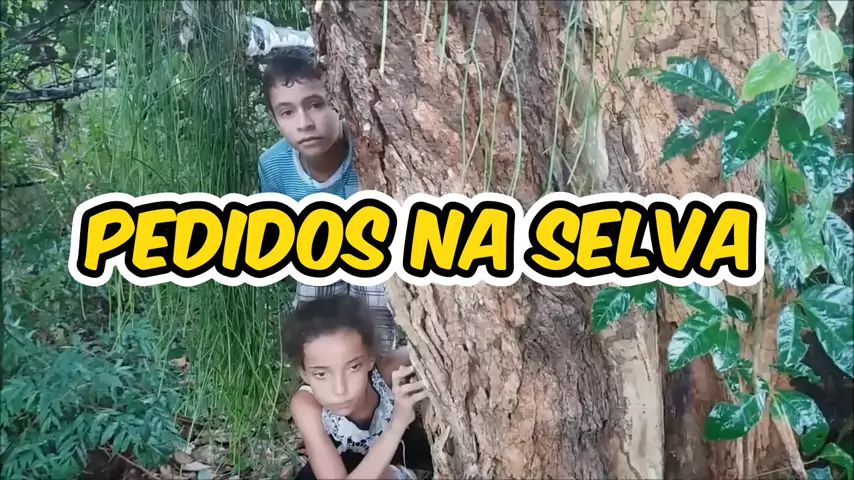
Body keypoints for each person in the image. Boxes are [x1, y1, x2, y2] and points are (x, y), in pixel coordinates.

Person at [257, 44, 398, 353]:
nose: (304, 123)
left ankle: (380, 363)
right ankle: (322, 366)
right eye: (287, 112)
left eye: (316, 104)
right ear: (275, 119)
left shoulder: (370, 149)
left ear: (339, 101)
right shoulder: (273, 165)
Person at [282, 295, 434, 480]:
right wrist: (398, 422)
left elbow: (434, 349)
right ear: (304, 373)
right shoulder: (306, 405)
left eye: (354, 367)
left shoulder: (388, 372)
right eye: (321, 374)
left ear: (370, 358)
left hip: (402, 464)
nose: (340, 390)